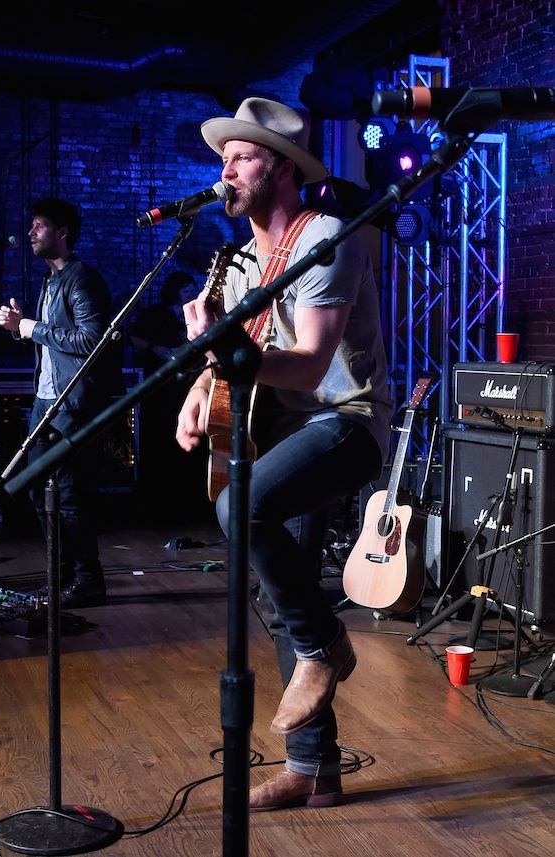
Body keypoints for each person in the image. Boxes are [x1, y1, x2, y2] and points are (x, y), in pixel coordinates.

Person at [175, 97, 394, 811]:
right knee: (280, 596)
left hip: (346, 423)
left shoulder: (328, 237)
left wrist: (223, 351)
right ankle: (314, 768)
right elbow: (235, 355)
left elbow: (305, 365)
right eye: (223, 160)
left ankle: (329, 642)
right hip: (285, 431)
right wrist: (201, 382)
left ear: (277, 165)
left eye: (238, 158)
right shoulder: (240, 261)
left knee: (241, 505)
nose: (225, 172)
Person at [0, 196, 125, 609]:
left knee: (69, 494)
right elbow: (54, 340)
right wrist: (21, 329)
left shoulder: (82, 279)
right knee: (36, 489)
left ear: (63, 232)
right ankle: (63, 577)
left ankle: (87, 579)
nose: (31, 232)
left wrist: (29, 326)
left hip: (75, 404)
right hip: (46, 401)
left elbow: (91, 342)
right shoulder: (51, 281)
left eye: (39, 225)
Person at [129, 270, 207, 518]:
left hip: (188, 384)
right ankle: (159, 500)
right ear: (174, 290)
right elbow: (134, 338)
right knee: (161, 437)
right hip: (161, 387)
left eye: (192, 288)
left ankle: (191, 498)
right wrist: (156, 348)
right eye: (185, 289)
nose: (190, 293)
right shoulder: (156, 314)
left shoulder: (197, 312)